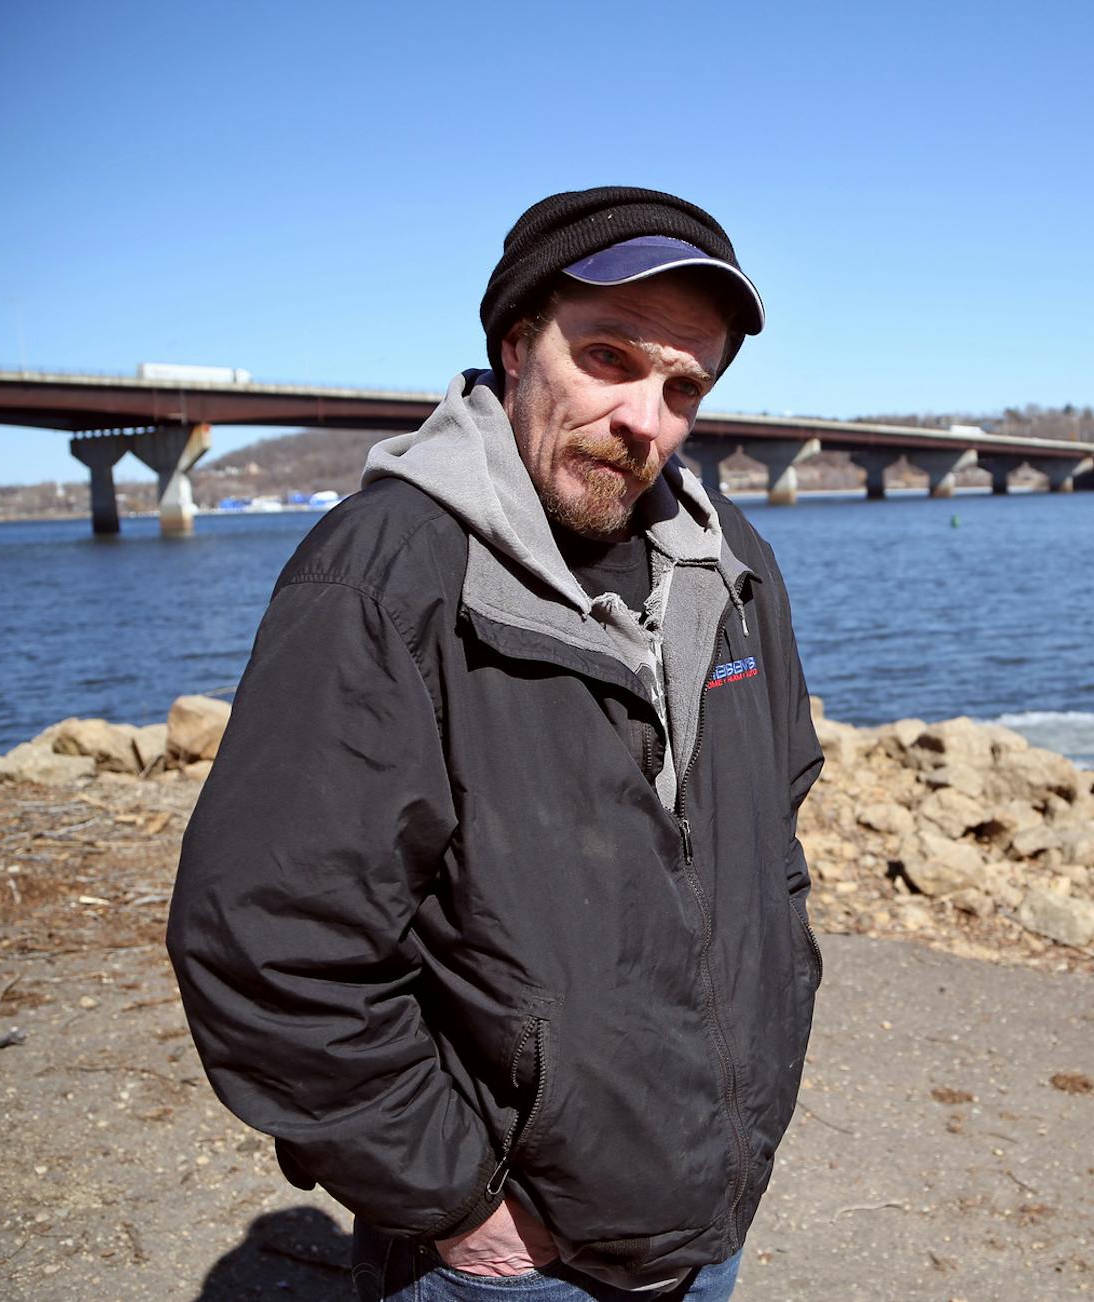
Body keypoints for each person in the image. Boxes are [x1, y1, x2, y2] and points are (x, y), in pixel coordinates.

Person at [167, 187, 824, 1301]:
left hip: (706, 1212)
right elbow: (268, 945)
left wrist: (757, 1072)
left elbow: (772, 833)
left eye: (683, 388)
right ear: (517, 345)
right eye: (609, 358)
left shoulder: (733, 566)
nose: (646, 420)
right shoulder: (385, 578)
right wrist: (456, 1200)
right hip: (512, 1265)